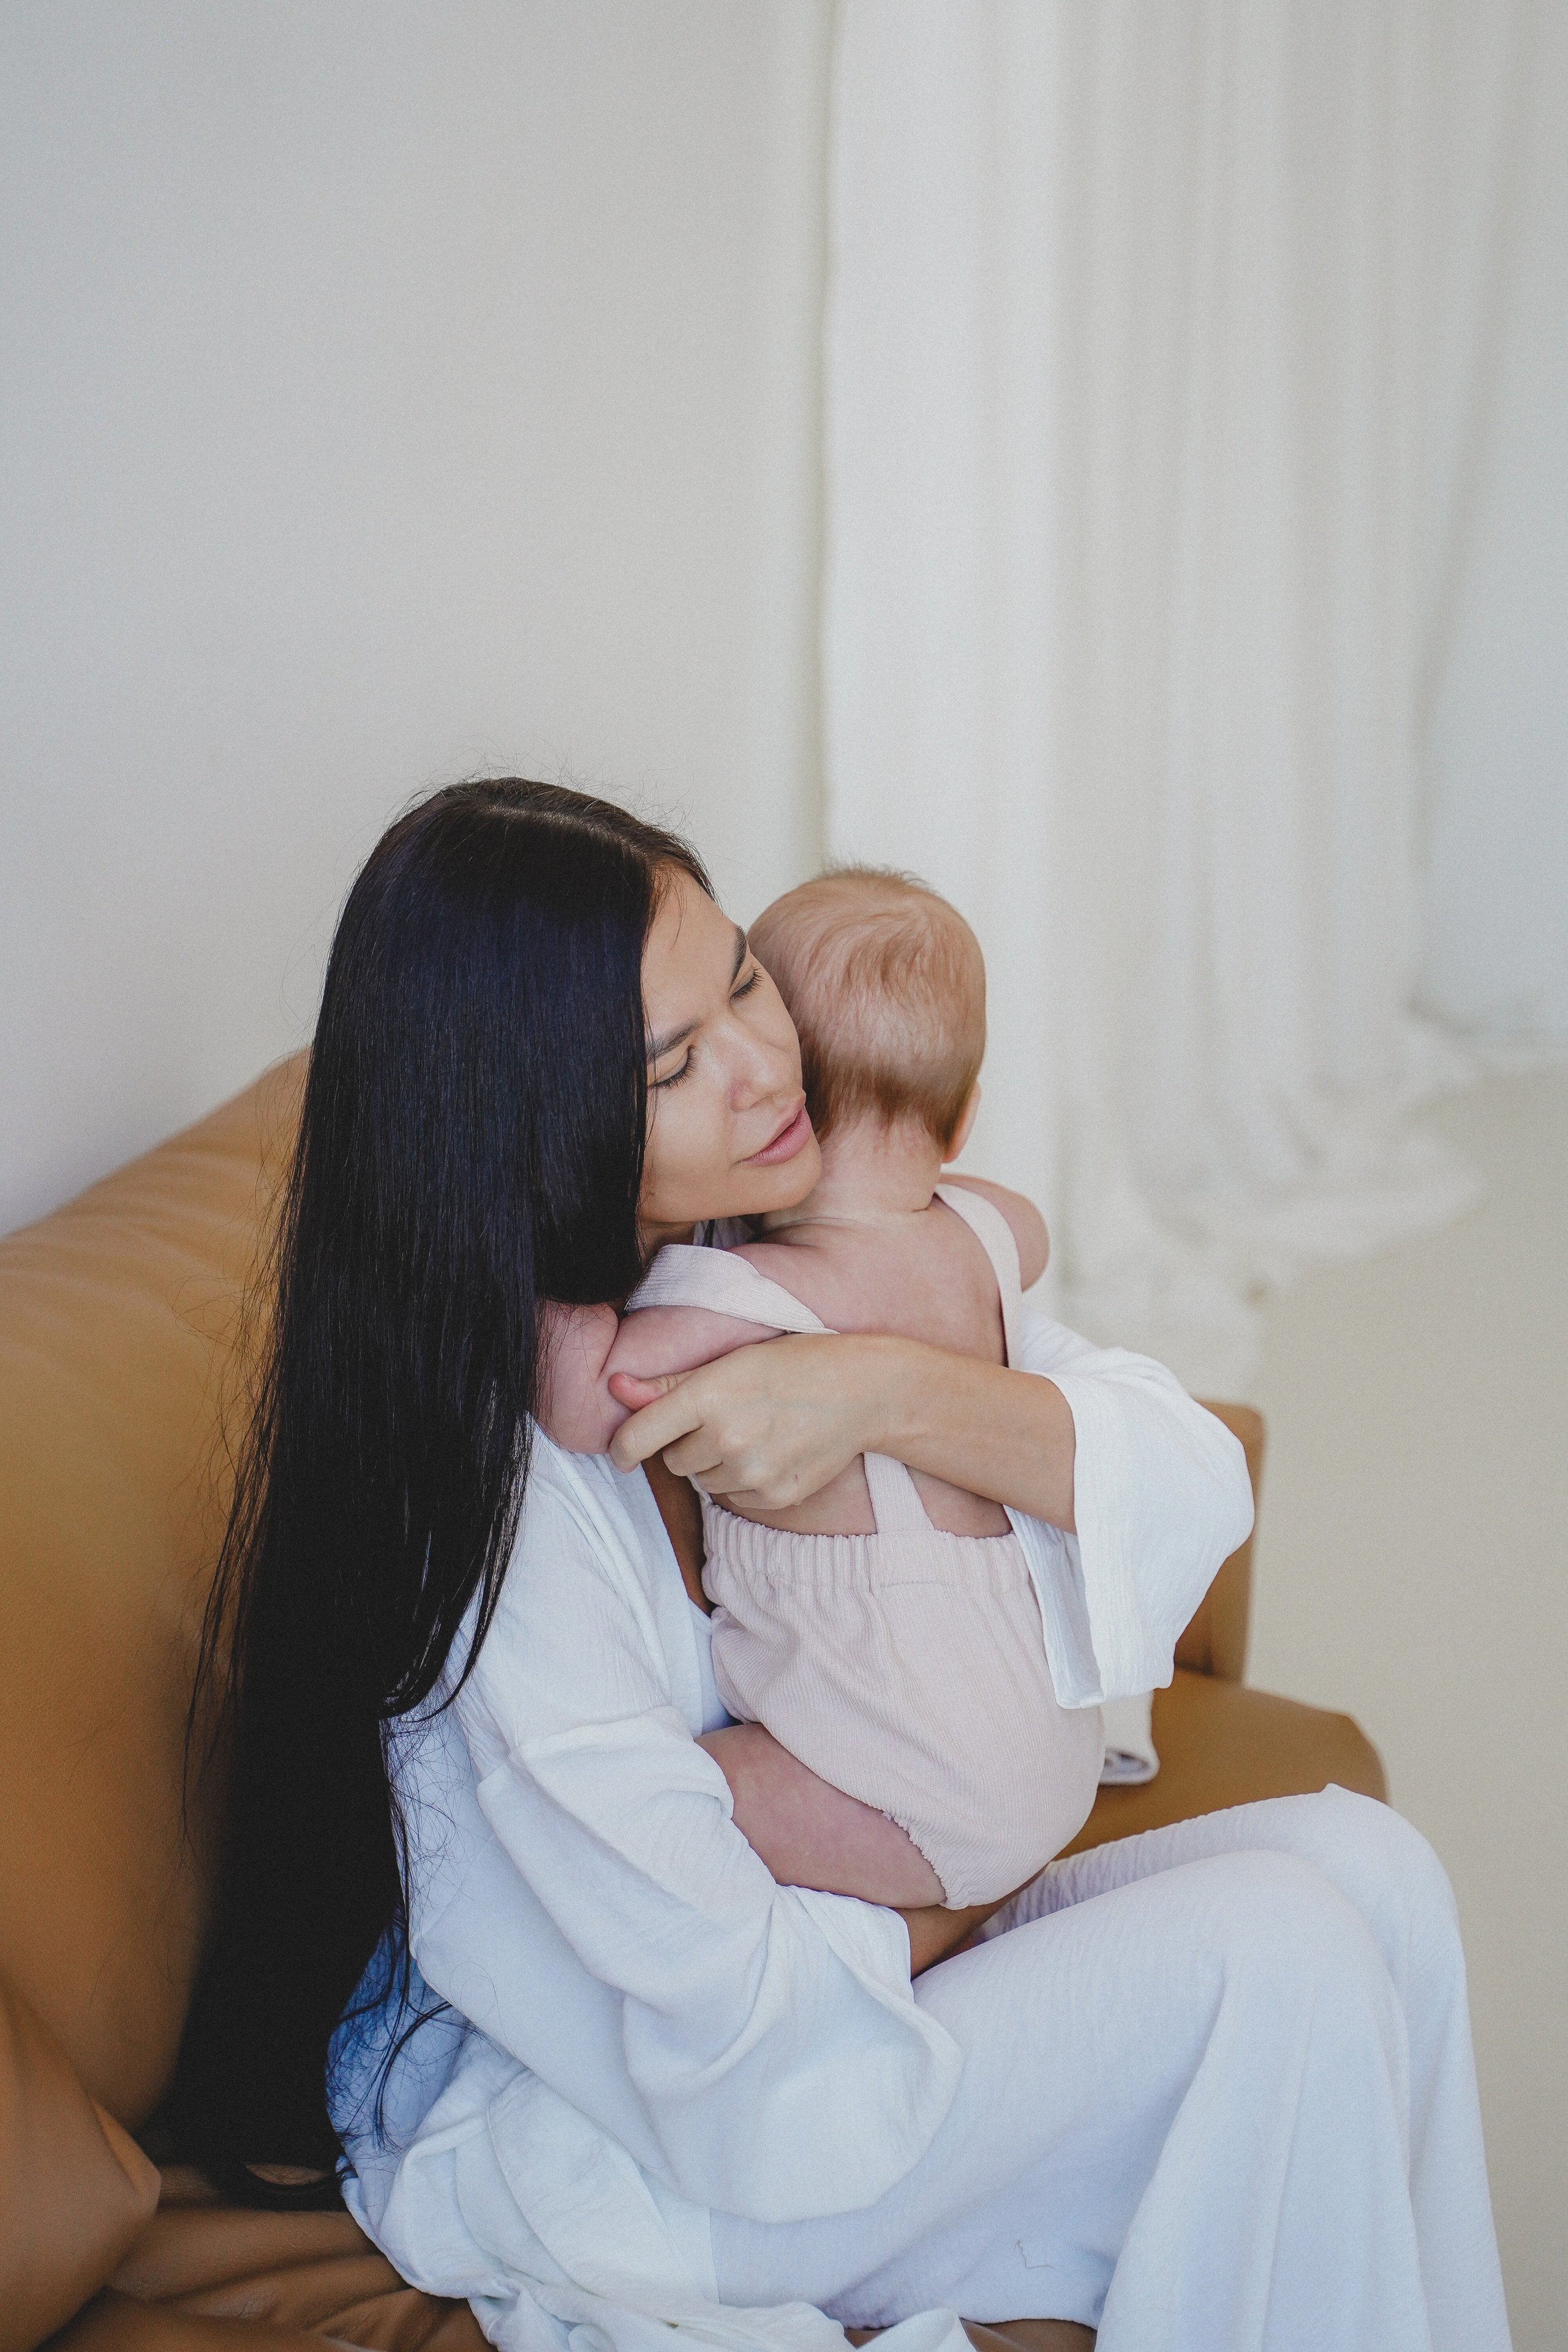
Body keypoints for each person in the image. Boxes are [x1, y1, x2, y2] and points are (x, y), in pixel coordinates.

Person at [172, 780, 1511, 2352]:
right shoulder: (503, 1531)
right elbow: (726, 2026)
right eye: (673, 1063)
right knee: (1274, 1963)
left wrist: (881, 1391)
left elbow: (1180, 1467)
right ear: (535, 1123)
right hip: (671, 2136)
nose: (765, 1065)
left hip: (849, 1978)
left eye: (742, 974)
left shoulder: (751, 1255)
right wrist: (975, 1867)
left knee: (1377, 1878)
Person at [538, 866, 1106, 1909]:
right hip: (1057, 1739)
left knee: (650, 1812)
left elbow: (592, 1399)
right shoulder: (985, 1233)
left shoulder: (748, 1291)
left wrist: (539, 1276)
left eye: (751, 988)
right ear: (967, 1117)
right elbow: (1029, 1229)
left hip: (904, 1775)